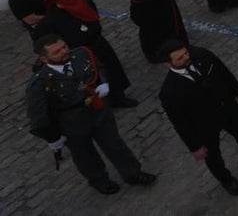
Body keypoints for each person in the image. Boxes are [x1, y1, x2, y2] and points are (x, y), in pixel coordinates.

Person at [26, 34, 157, 195]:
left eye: (64, 47)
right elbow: (38, 116)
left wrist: (104, 83)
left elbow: (98, 67)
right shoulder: (41, 82)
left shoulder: (81, 54)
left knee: (114, 144)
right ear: (44, 59)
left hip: (98, 110)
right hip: (71, 122)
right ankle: (99, 180)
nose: (64, 51)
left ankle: (133, 173)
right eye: (56, 52)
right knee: (85, 155)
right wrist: (53, 138)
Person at [157, 40, 238, 196]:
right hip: (204, 125)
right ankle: (226, 180)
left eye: (186, 53)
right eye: (180, 58)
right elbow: (179, 123)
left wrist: (237, 91)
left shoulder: (202, 55)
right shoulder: (169, 92)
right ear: (167, 64)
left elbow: (222, 71)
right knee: (213, 155)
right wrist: (194, 146)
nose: (186, 57)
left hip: (227, 108)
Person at [33, 0, 138, 108]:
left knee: (111, 71)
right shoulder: (50, 22)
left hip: (97, 44)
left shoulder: (86, 3)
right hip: (76, 54)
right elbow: (43, 42)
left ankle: (118, 97)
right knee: (87, 80)